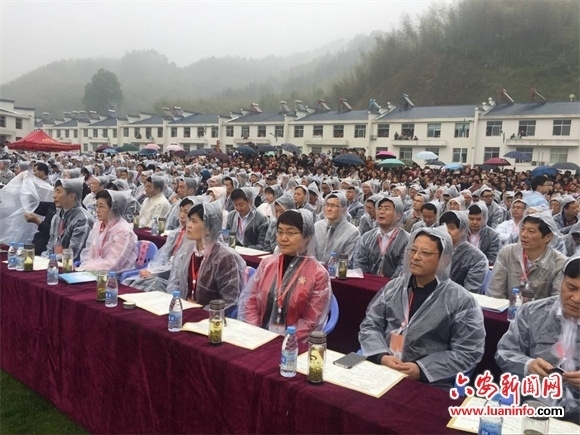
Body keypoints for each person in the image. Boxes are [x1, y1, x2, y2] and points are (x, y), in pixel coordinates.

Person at [359, 227, 485, 388]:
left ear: (444, 260)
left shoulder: (461, 300)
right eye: (413, 250)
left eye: (425, 253)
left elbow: (467, 352)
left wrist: (422, 369)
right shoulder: (394, 288)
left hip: (430, 381)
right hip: (384, 369)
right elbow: (370, 325)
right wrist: (381, 356)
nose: (416, 257)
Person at [495, 256, 579, 420]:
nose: (576, 298)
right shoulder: (532, 312)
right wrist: (527, 365)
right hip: (529, 401)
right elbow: (504, 352)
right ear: (561, 282)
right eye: (571, 288)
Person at [238, 209, 332, 340]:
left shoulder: (318, 274)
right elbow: (250, 301)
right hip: (257, 337)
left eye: (291, 232)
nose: (283, 238)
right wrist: (254, 331)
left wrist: (285, 340)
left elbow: (311, 320)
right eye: (280, 232)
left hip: (292, 344)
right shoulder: (267, 264)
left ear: (307, 236)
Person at [167, 202, 246, 314]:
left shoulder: (224, 258)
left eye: (194, 222)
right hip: (184, 310)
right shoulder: (187, 252)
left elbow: (229, 299)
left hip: (210, 317)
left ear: (209, 228)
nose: (188, 225)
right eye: (190, 220)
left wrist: (202, 310)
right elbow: (175, 283)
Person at [488, 211, 568, 300]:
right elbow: (496, 291)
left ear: (548, 237)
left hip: (540, 312)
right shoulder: (508, 253)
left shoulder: (560, 263)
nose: (523, 235)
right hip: (507, 309)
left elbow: (556, 300)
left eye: (531, 231)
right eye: (522, 229)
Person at [123, 198, 195, 292]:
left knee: (152, 284)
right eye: (180, 210)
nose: (181, 215)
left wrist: (157, 273)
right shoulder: (176, 233)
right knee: (130, 282)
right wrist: (153, 270)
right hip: (164, 271)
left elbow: (180, 269)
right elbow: (162, 257)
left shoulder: (193, 239)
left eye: (186, 212)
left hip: (174, 280)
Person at [79, 190, 138, 272]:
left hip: (114, 274)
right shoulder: (98, 224)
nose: (97, 210)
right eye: (96, 206)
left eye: (101, 206)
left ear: (113, 209)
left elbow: (113, 263)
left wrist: (88, 268)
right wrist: (86, 266)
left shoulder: (123, 231)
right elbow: (90, 253)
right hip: (94, 270)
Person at [353, 196, 409, 278]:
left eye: (387, 209)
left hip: (393, 288)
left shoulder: (407, 240)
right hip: (366, 284)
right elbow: (359, 263)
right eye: (379, 208)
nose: (381, 212)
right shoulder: (367, 237)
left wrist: (389, 286)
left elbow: (402, 269)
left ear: (398, 215)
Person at [44, 178, 95, 260]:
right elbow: (50, 246)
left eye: (58, 192)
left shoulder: (83, 220)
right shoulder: (57, 217)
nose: (54, 195)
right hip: (55, 264)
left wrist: (51, 260)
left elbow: (73, 254)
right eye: (54, 191)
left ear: (71, 196)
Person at [439, 211, 489, 293]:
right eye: (443, 227)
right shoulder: (435, 250)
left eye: (452, 228)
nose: (446, 232)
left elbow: (470, 291)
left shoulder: (477, 258)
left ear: (464, 231)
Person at [313, 191, 359, 264]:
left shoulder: (352, 232)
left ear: (343, 209)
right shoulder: (317, 226)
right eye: (327, 205)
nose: (329, 209)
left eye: (333, 206)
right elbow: (311, 252)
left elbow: (347, 259)